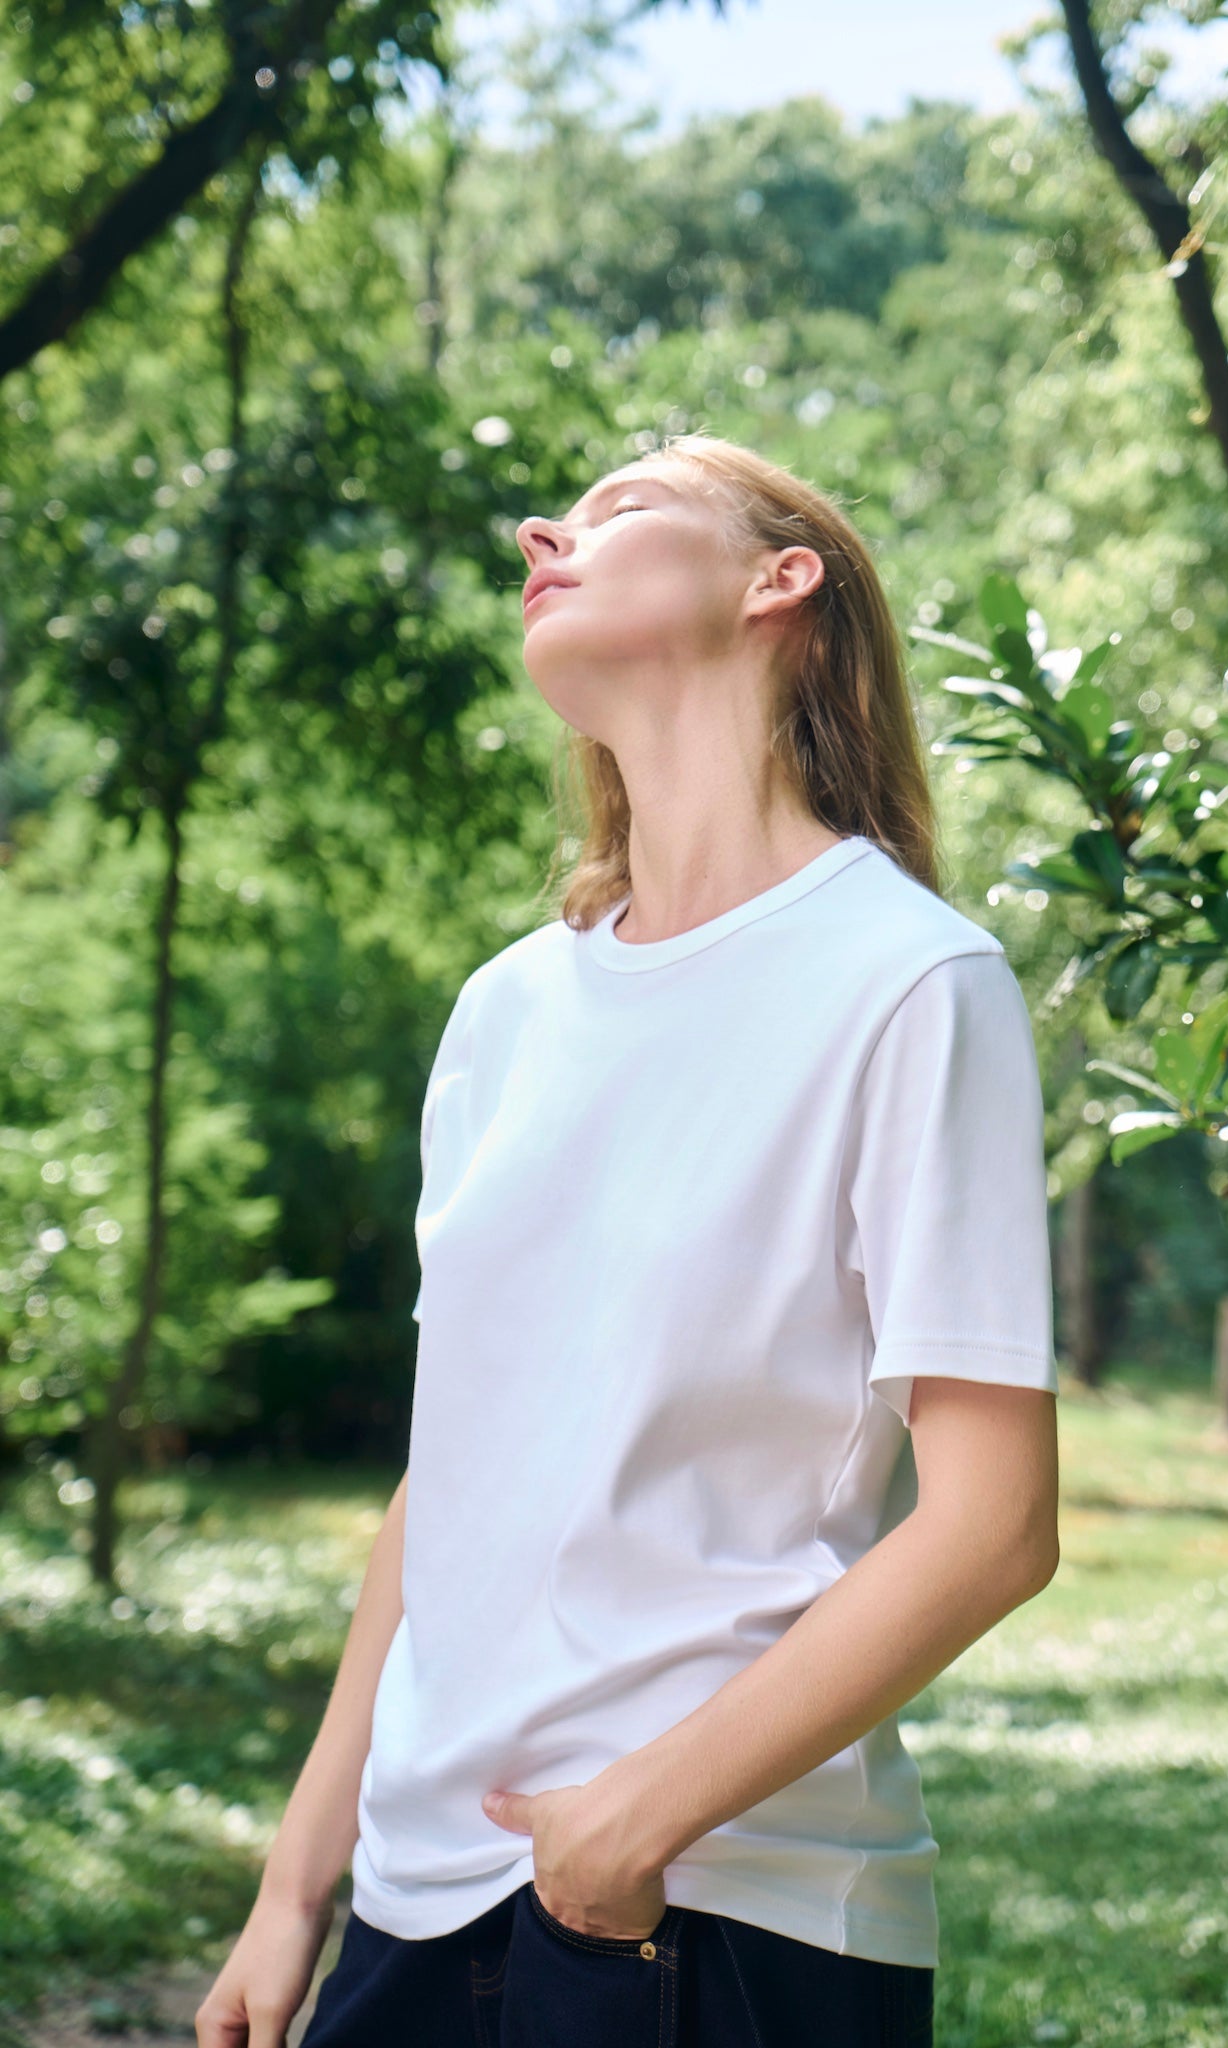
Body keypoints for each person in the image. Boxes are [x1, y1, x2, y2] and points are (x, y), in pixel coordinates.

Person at [195, 433, 1060, 2048]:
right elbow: (450, 1481)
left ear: (780, 582)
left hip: (713, 1907)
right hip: (414, 1906)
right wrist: (296, 1888)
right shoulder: (506, 1009)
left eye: (625, 508)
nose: (544, 531)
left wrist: (631, 1826)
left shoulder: (909, 982)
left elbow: (991, 1526)